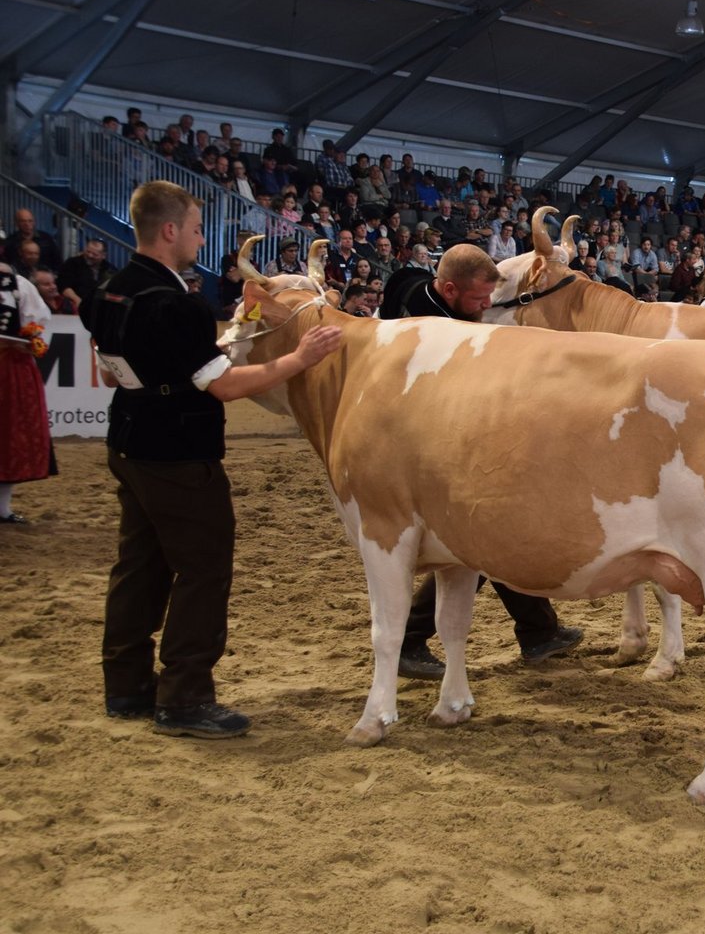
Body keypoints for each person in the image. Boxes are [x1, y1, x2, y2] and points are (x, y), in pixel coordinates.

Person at [82, 180, 344, 737]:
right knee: (203, 569)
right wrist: (300, 357)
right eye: (197, 230)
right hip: (179, 452)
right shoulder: (177, 304)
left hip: (128, 440)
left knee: (139, 566)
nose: (201, 240)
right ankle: (185, 698)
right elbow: (223, 386)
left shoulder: (108, 290)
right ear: (170, 230)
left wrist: (234, 330)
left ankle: (126, 686)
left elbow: (109, 372)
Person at [379, 244, 584, 678]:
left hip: (444, 437)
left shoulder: (425, 295)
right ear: (449, 290)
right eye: (478, 299)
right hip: (430, 444)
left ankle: (539, 631)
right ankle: (411, 639)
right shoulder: (434, 328)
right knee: (477, 543)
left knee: (490, 539)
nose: (486, 306)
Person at [1, 264, 58, 524]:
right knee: (9, 433)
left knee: (9, 434)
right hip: (10, 366)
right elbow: (35, 323)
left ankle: (2, 508)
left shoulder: (19, 284)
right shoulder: (19, 284)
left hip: (10, 365)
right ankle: (2, 508)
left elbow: (34, 327)